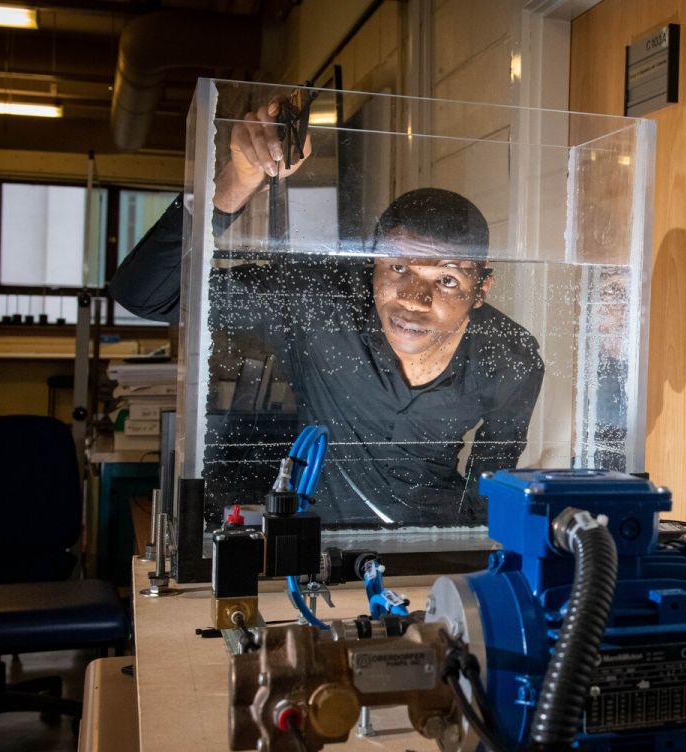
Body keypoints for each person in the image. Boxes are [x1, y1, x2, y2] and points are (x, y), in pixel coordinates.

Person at [112, 101, 545, 528]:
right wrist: (235, 182)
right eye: (398, 267)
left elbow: (490, 486)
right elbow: (146, 296)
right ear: (370, 265)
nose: (415, 298)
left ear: (480, 290)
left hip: (432, 546)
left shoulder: (510, 357)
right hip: (316, 548)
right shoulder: (319, 302)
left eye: (447, 280)